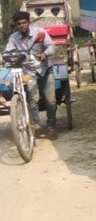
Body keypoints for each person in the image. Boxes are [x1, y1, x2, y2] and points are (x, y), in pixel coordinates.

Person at [3, 11, 57, 139]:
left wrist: (45, 54)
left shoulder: (39, 32)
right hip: (28, 72)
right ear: (16, 25)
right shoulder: (13, 38)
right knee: (33, 99)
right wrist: (2, 59)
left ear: (29, 22)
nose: (22, 25)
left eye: (24, 23)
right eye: (19, 24)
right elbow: (7, 52)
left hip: (45, 69)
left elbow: (52, 47)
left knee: (51, 101)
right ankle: (36, 124)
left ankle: (51, 125)